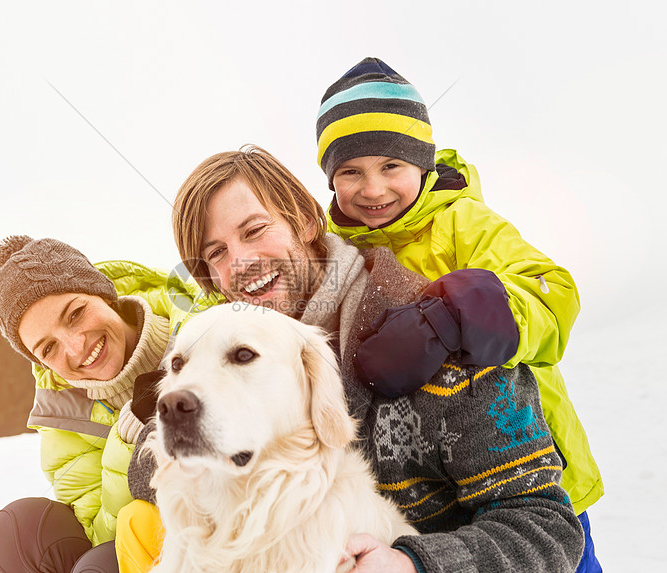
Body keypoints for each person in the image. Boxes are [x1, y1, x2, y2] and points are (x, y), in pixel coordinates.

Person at [119, 146, 584, 573]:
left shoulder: (444, 338)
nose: (239, 263)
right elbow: (155, 468)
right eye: (215, 253)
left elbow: (546, 528)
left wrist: (413, 564)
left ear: (304, 221)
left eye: (255, 230)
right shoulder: (213, 337)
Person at [315, 57, 602, 572]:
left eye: (391, 166)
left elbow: (553, 294)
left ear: (421, 165)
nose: (373, 189)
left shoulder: (461, 221)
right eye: (350, 172)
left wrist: (447, 318)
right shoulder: (334, 249)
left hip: (527, 465)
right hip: (422, 499)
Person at [0, 235, 209, 573]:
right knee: (17, 531)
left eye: (75, 314)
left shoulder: (203, 319)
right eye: (48, 349)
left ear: (105, 294)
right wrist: (126, 442)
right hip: (150, 546)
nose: (75, 348)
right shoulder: (64, 424)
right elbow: (104, 540)